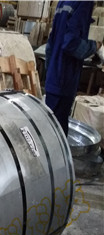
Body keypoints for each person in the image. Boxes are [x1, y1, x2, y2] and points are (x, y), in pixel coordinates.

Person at [45, 1, 102, 136]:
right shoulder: (84, 3)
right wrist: (95, 46)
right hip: (65, 79)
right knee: (58, 135)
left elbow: (51, 43)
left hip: (54, 78)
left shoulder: (63, 2)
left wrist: (50, 74)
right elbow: (70, 43)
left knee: (49, 128)